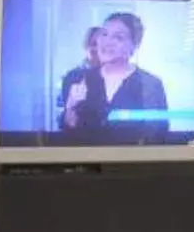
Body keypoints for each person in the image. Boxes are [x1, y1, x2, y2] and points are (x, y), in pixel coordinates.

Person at [55, 10, 172, 145]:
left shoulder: (150, 84)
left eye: (118, 37)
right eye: (104, 34)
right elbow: (68, 136)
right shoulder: (77, 79)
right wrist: (70, 107)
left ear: (134, 45)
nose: (107, 42)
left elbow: (158, 136)